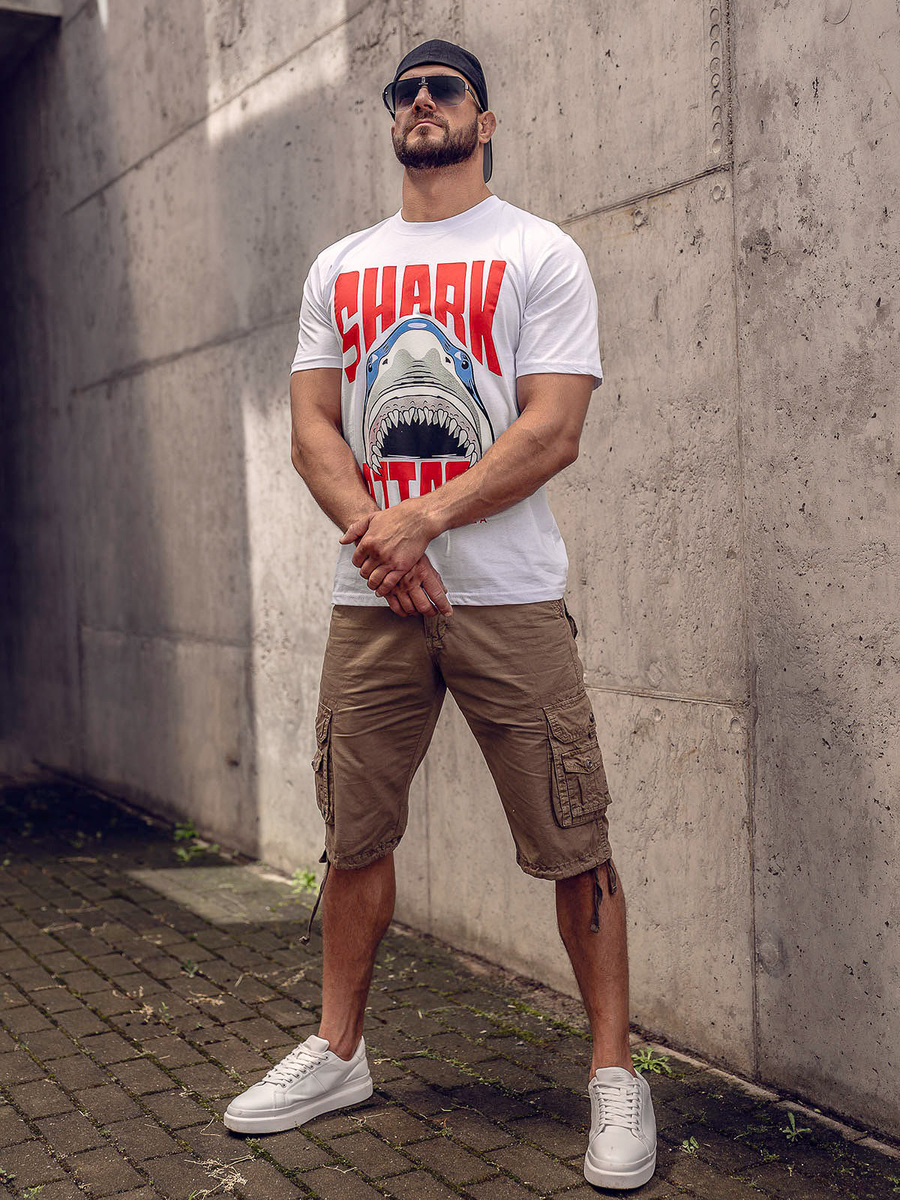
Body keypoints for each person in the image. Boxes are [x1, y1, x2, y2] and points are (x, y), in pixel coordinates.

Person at [224, 38, 657, 1190]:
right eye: (404, 91)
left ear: (484, 118)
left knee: (574, 838)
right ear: (394, 120)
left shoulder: (538, 251)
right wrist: (381, 539)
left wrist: (421, 521)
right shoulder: (340, 266)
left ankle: (615, 1074)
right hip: (369, 604)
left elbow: (554, 428)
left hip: (509, 596)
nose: (421, 102)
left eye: (443, 88)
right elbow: (313, 426)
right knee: (354, 835)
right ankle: (337, 1053)